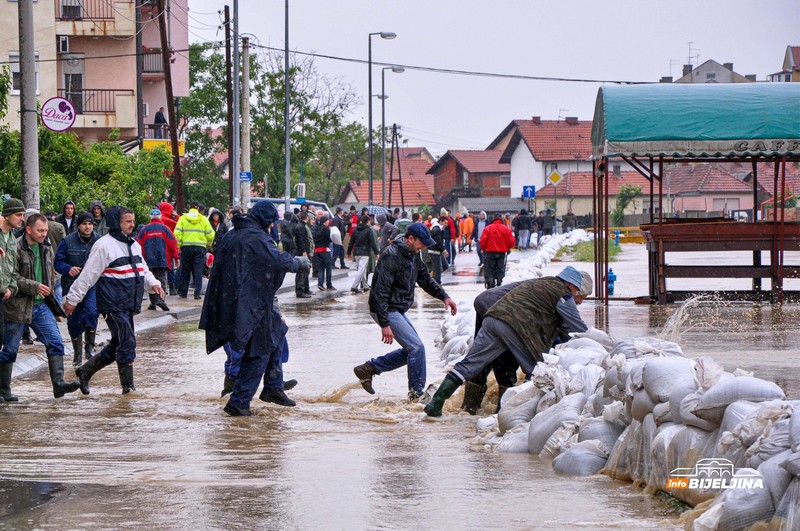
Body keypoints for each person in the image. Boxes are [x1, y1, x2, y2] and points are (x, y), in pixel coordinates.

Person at [424, 266, 585, 417]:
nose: (576, 294)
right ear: (570, 285)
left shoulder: (541, 282)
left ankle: (435, 404)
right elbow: (578, 327)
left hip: (492, 319)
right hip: (516, 326)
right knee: (535, 371)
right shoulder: (563, 294)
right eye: (576, 290)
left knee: (471, 363)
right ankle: (515, 414)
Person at [200, 201, 310, 416]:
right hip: (248, 304)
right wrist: (300, 263)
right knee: (259, 350)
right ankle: (239, 402)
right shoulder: (256, 237)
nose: (272, 227)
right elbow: (279, 260)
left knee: (278, 330)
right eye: (271, 222)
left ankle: (273, 386)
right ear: (265, 220)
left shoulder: (233, 234)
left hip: (236, 301)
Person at [64, 206, 165, 395]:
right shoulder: (104, 245)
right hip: (112, 303)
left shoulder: (134, 244)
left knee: (118, 342)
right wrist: (72, 300)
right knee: (127, 341)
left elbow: (143, 269)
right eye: (128, 221)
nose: (132, 225)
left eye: (133, 221)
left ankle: (85, 371)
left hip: (128, 303)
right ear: (116, 223)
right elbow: (88, 275)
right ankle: (128, 389)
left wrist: (154, 284)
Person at [353, 223, 457, 401]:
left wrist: (444, 297)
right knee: (416, 348)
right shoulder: (391, 255)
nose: (423, 247)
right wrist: (384, 323)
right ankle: (416, 395)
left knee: (413, 350)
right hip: (385, 308)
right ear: (410, 238)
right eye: (422, 243)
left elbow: (425, 279)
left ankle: (369, 369)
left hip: (397, 308)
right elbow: (380, 291)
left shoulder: (413, 254)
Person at [0, 213, 81, 400]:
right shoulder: (15, 246)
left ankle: (59, 384)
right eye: (40, 231)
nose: (44, 234)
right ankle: (4, 390)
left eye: (45, 230)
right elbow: (11, 276)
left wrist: (50, 296)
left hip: (41, 305)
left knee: (56, 342)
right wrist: (34, 286)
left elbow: (50, 274)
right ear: (29, 229)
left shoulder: (46, 247)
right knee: (10, 350)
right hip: (17, 306)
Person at [54, 212, 100, 366]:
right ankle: (77, 354)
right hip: (71, 285)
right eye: (84, 224)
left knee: (92, 312)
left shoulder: (99, 241)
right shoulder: (67, 241)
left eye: (90, 224)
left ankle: (90, 348)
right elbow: (57, 262)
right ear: (78, 226)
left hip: (93, 286)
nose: (87, 227)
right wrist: (68, 268)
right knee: (74, 319)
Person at [136, 209, 179, 311]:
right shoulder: (165, 229)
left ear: (150, 217)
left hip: (148, 259)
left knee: (151, 280)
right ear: (160, 217)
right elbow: (172, 244)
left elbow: (137, 244)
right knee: (161, 279)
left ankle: (153, 302)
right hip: (162, 259)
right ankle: (161, 299)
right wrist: (176, 257)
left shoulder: (144, 229)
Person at [174, 201, 214, 300]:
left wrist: (179, 246)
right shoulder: (203, 219)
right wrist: (208, 244)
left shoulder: (183, 218)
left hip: (186, 247)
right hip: (200, 248)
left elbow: (177, 234)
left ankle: (183, 292)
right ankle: (197, 293)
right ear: (197, 208)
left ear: (189, 208)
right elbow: (211, 234)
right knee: (198, 271)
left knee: (185, 270)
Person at [480, 213, 515, 289]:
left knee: (489, 269)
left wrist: (483, 249)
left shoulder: (488, 228)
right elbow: (512, 241)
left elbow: (483, 240)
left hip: (490, 252)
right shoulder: (506, 229)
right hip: (502, 253)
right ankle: (500, 284)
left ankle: (490, 286)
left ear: (493, 218)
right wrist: (508, 248)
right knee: (500, 269)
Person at [347, 214, 379, 294]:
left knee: (362, 270)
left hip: (356, 253)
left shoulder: (355, 230)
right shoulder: (368, 230)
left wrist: (348, 252)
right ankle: (354, 286)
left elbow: (351, 242)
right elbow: (372, 243)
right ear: (367, 221)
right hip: (365, 253)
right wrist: (377, 253)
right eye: (369, 221)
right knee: (361, 270)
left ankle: (365, 287)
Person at [292, 211, 313, 298]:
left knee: (306, 271)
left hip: (302, 251)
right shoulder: (301, 227)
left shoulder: (301, 226)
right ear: (307, 218)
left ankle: (305, 289)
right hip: (302, 252)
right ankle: (300, 290)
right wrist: (304, 251)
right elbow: (301, 240)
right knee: (302, 271)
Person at [312, 215, 335, 291]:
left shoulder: (316, 228)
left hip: (317, 251)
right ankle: (329, 285)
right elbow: (330, 239)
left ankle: (320, 284)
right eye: (327, 220)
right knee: (328, 268)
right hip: (325, 250)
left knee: (320, 268)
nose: (328, 221)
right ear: (325, 221)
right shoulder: (326, 229)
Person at [428, 216, 448, 284]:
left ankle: (433, 276)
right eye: (445, 223)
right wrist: (444, 250)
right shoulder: (436, 229)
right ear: (441, 221)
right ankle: (437, 282)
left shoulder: (439, 228)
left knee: (445, 265)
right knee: (438, 269)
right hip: (434, 251)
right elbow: (438, 242)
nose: (446, 225)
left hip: (438, 251)